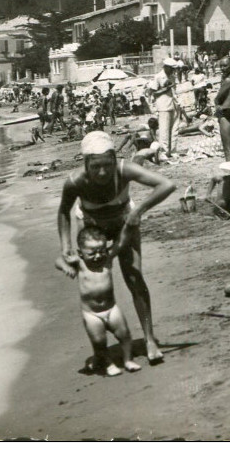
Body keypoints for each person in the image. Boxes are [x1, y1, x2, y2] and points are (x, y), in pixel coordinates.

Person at [57, 131, 176, 364]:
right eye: (96, 167)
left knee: (134, 277)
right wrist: (66, 246)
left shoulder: (123, 170)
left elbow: (166, 185)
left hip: (124, 222)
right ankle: (100, 349)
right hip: (91, 226)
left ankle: (150, 339)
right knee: (94, 285)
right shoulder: (75, 181)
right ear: (85, 164)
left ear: (114, 160)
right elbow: (63, 212)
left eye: (107, 165)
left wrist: (137, 212)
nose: (102, 173)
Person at [55, 226, 142, 376]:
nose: (97, 256)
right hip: (92, 314)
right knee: (99, 341)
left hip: (111, 308)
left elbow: (119, 243)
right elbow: (58, 260)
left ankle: (128, 359)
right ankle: (107, 363)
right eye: (92, 253)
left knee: (125, 334)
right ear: (80, 253)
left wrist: (128, 226)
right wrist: (65, 267)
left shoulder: (107, 260)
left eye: (101, 250)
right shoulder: (80, 264)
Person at [152, 59, 179, 155]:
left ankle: (173, 150)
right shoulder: (158, 77)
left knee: (174, 129)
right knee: (164, 130)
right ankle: (164, 152)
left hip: (174, 104)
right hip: (163, 105)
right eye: (172, 69)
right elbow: (153, 92)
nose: (173, 71)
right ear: (166, 67)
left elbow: (174, 91)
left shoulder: (172, 77)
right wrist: (166, 88)